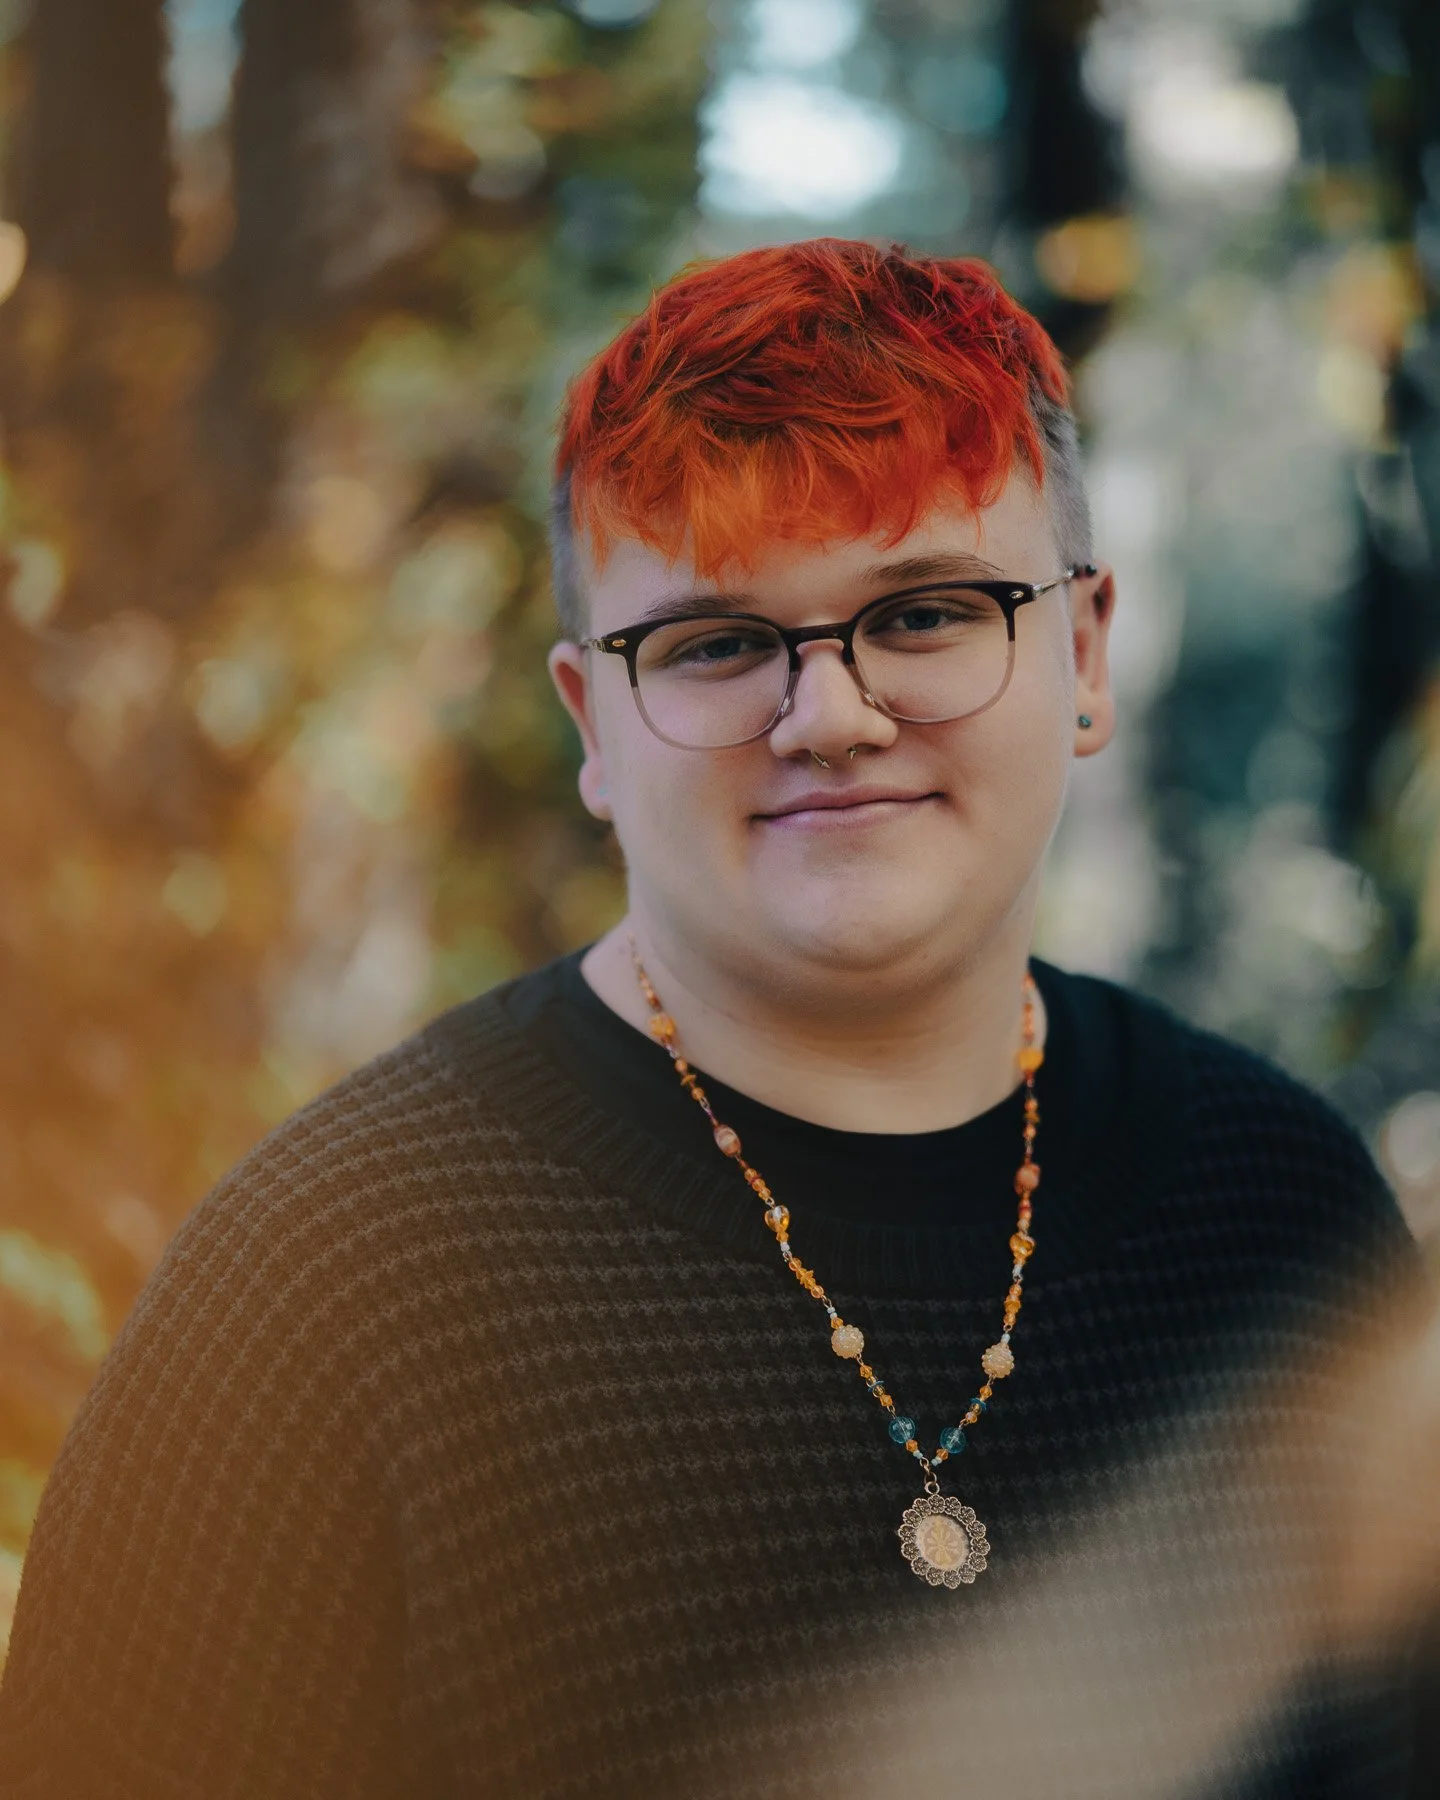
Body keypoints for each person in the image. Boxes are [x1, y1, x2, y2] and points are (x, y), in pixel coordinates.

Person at [0, 239, 1428, 1800]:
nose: (830, 717)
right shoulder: (324, 1288)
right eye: (719, 644)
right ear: (592, 724)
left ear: (1081, 653)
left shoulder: (1282, 1209)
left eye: (926, 613)